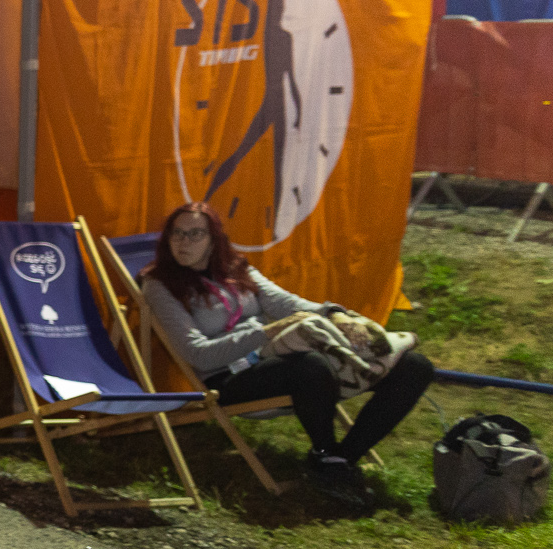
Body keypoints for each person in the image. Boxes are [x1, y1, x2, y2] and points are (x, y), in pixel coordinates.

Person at [140, 201, 435, 511]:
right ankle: (325, 451)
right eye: (177, 233)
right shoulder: (160, 285)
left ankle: (341, 458)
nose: (184, 242)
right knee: (311, 365)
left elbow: (287, 304)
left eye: (195, 234)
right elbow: (198, 354)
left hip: (275, 359)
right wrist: (268, 331)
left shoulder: (236, 270)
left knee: (414, 366)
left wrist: (335, 314)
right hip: (228, 377)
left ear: (214, 240)